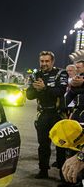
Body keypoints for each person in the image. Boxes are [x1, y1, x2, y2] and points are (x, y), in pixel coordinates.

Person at [26, 51, 68, 179]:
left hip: (58, 115)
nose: (44, 63)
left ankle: (63, 174)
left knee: (61, 145)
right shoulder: (35, 74)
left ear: (52, 61)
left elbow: (61, 91)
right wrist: (36, 89)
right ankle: (43, 170)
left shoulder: (61, 73)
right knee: (43, 144)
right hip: (43, 114)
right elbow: (29, 95)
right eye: (42, 61)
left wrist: (44, 89)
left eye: (47, 61)